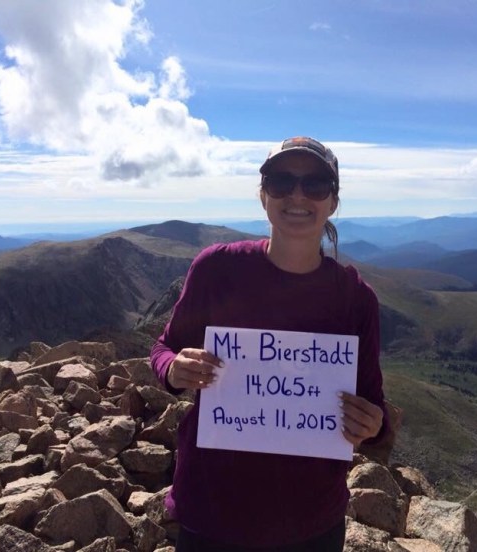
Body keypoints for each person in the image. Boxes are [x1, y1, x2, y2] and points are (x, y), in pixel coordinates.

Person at [150, 136, 388, 551]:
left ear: (333, 202)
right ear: (263, 195)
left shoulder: (355, 299)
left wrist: (372, 424)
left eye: (315, 184)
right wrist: (174, 368)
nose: (297, 195)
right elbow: (163, 349)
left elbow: (373, 404)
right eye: (281, 182)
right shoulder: (217, 269)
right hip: (213, 510)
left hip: (310, 523)